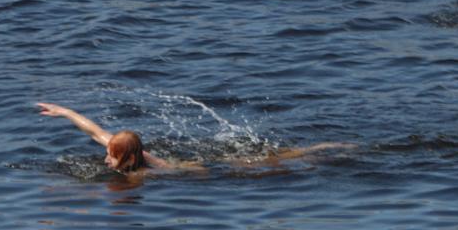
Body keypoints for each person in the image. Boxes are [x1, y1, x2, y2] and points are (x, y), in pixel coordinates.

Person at [36, 102, 352, 176]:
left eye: (113, 158)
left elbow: (188, 172)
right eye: (108, 154)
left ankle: (324, 149)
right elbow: (92, 129)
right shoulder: (116, 146)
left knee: (273, 162)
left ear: (131, 159)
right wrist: (63, 111)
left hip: (199, 167)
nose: (106, 159)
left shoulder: (144, 170)